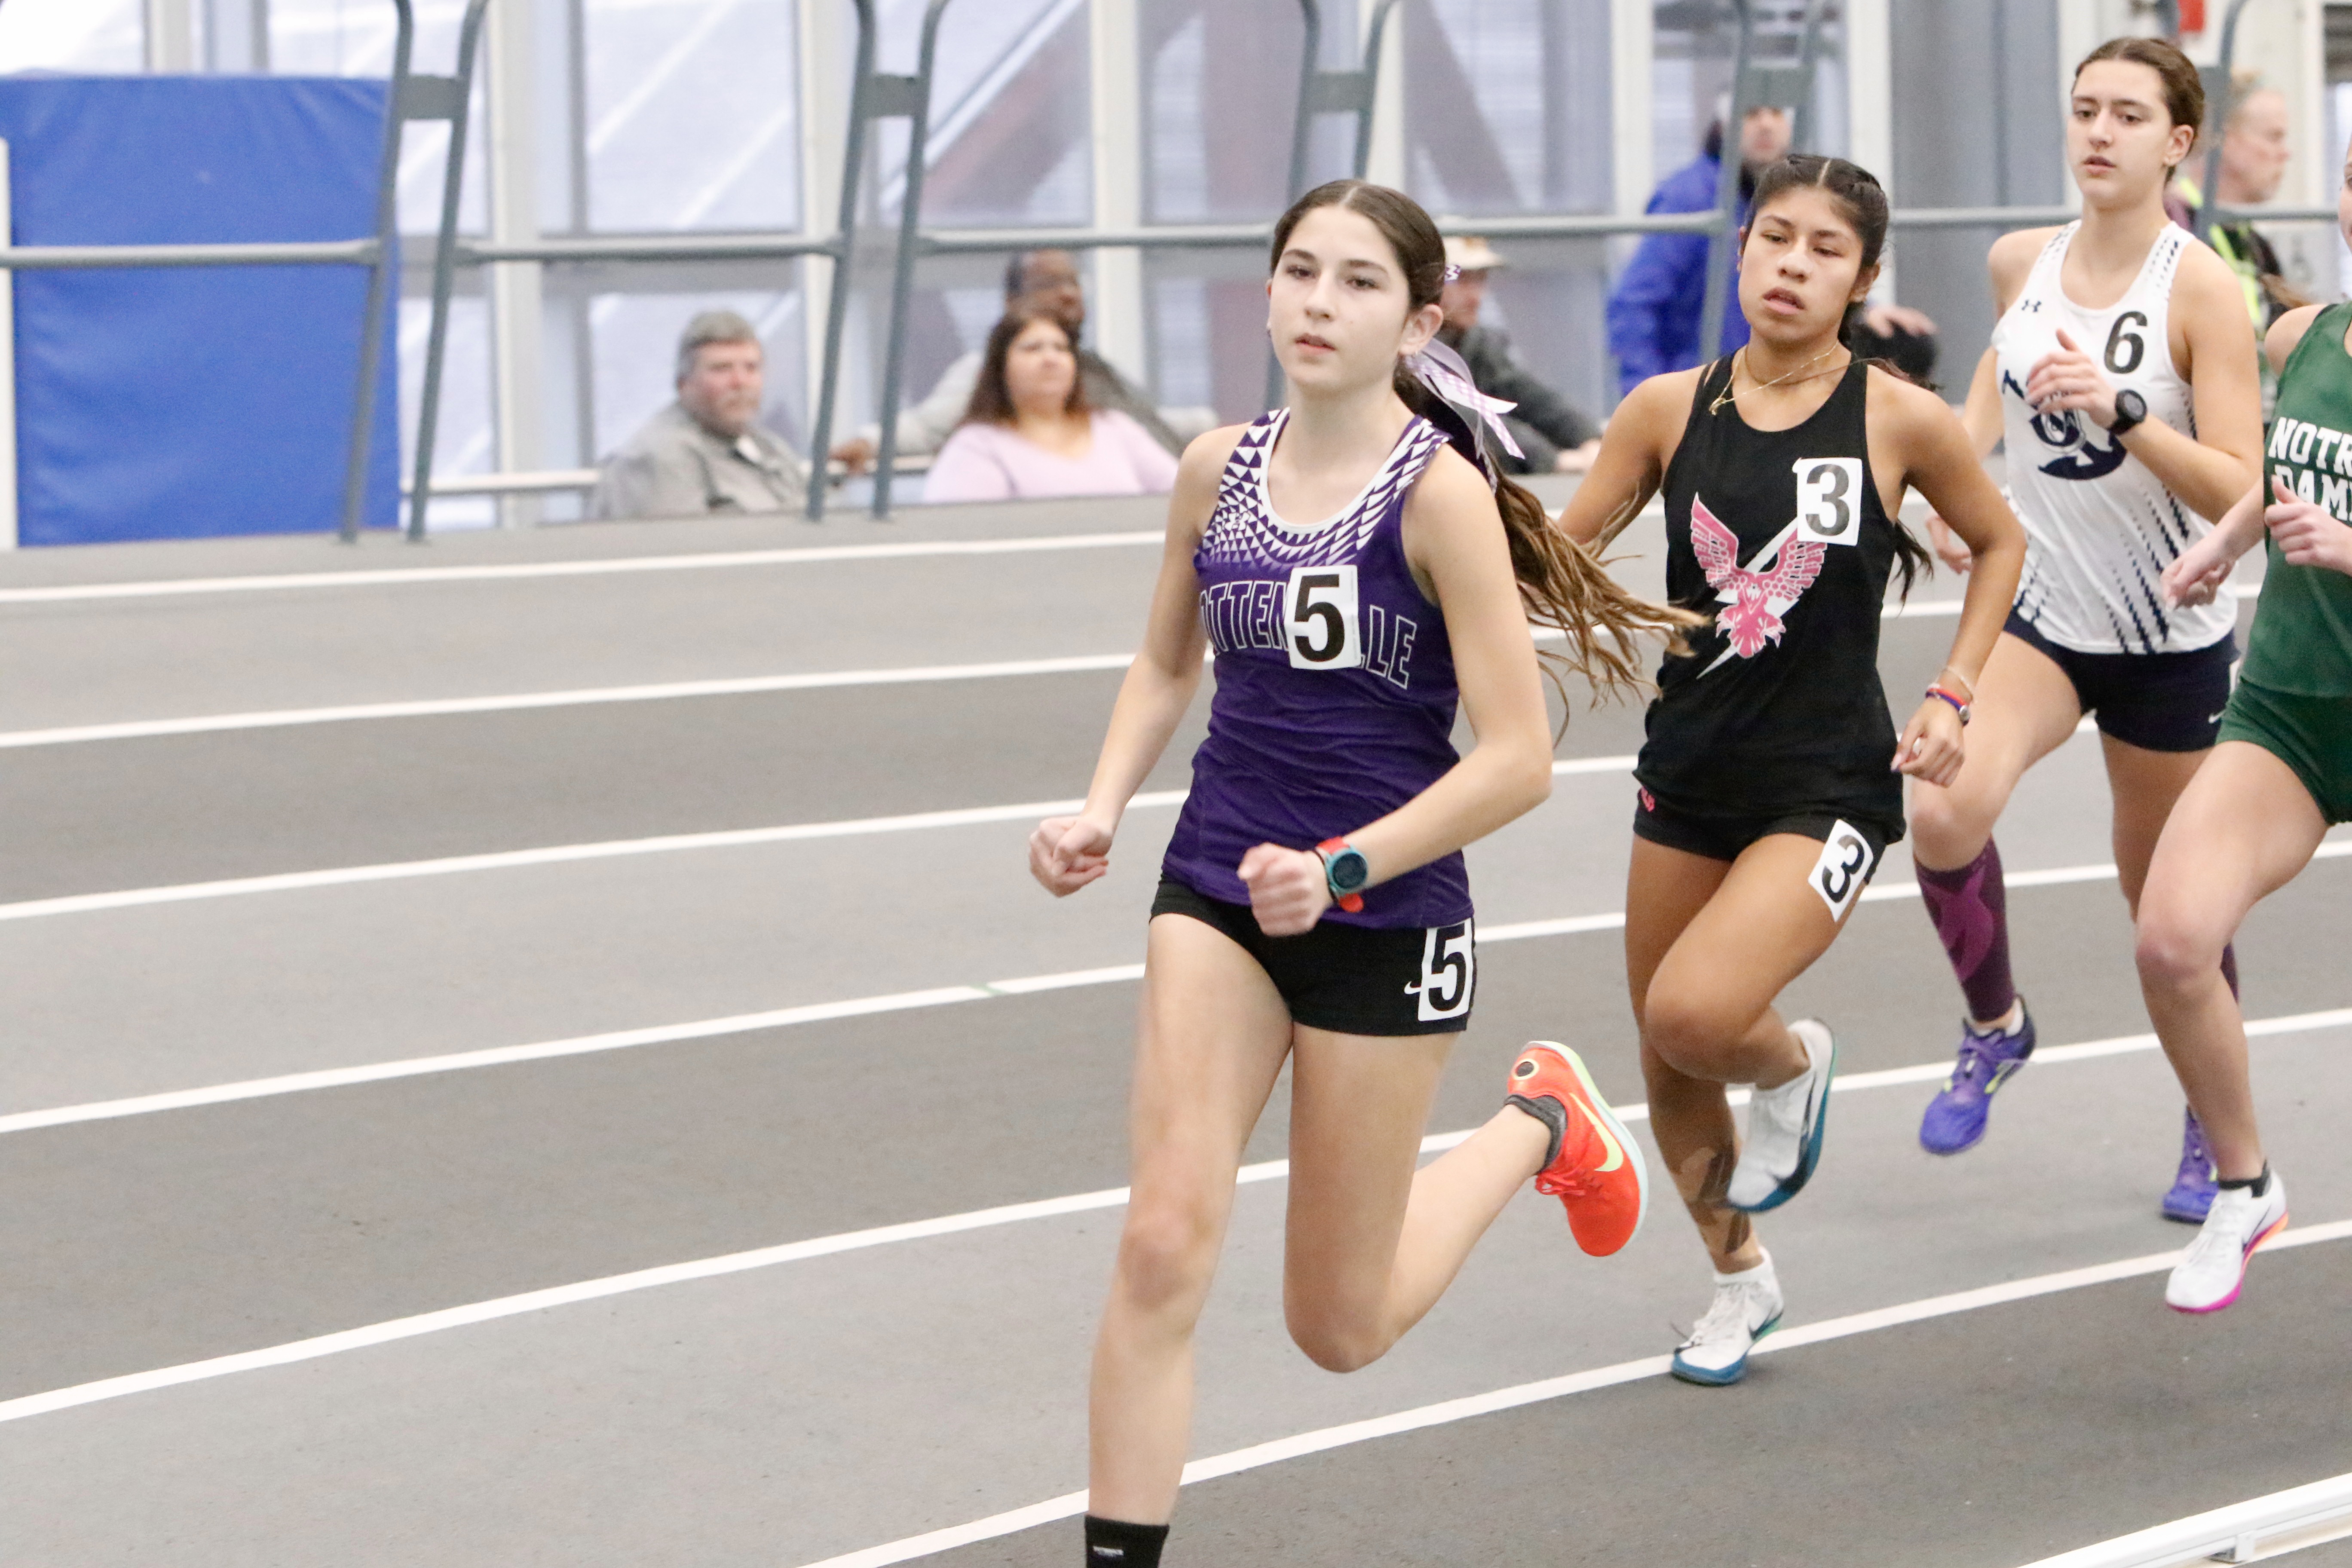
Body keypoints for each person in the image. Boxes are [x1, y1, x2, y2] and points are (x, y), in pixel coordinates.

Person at [1030, 178, 1690, 1567]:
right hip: (1215, 886)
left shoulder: (1442, 498)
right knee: (1162, 1233)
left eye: (1357, 282)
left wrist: (1340, 867)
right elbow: (1168, 659)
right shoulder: (1215, 466)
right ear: (1266, 290)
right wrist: (1097, 806)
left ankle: (1541, 1123)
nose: (1319, 303)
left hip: (1381, 912)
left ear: (1418, 317)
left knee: (1339, 1326)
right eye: (1299, 273)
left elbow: (1514, 755)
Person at [1563, 154, 2025, 1387]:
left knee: (1701, 1015)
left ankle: (1797, 1061)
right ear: (1741, 250)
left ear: (1864, 278)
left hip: (1825, 787)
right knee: (1666, 1068)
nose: (1792, 265)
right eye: (1774, 238)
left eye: (1826, 250)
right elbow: (1560, 555)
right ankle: (1738, 1280)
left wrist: (1956, 692)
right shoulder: (1665, 409)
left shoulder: (1896, 416)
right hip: (1687, 774)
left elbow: (1999, 542)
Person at [1905, 37, 2264, 1228]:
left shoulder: (2203, 288)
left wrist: (2123, 417)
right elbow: (1986, 399)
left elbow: (2237, 497)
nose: (2097, 132)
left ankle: (2208, 1122)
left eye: (2127, 115)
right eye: (2083, 110)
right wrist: (1951, 490)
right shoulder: (2023, 263)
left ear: (2177, 143)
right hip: (2049, 614)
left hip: (2168, 630)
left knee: (2166, 904)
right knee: (1942, 805)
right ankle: (1996, 1027)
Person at [2137, 189, 2352, 1308]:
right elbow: (2286, 477)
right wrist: (2227, 539)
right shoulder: (2304, 335)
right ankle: (2244, 1183)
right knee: (2173, 939)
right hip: (2296, 711)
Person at [1609, 103, 1941, 398]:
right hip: (1707, 388)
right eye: (1775, 238)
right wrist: (1652, 396)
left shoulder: (1793, 193)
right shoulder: (1688, 199)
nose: (1766, 125)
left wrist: (1866, 309)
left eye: (1825, 249)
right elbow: (1634, 304)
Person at [830, 251, 1213, 473]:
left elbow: (1148, 424)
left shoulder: (1094, 367)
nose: (1067, 295)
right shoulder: (991, 370)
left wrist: (1215, 429)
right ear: (1010, 304)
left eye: (1073, 283)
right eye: (1048, 285)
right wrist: (870, 442)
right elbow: (929, 426)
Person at [921, 307, 1180, 504]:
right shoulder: (978, 446)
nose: (1051, 359)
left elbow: (1186, 498)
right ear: (1000, 368)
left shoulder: (1116, 428)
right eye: (1033, 349)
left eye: (1061, 348)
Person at [2169, 77, 2306, 414]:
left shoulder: (2252, 242)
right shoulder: (2171, 226)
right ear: (2225, 140)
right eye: (2273, 137)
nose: (2285, 153)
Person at [588, 310, 805, 520]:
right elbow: (680, 551)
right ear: (684, 383)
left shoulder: (769, 447)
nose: (740, 382)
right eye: (722, 369)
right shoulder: (660, 456)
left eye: (751, 368)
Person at [1436, 234, 1602, 473]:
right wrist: (1551, 461)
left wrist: (1587, 438)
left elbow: (1524, 394)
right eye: (1461, 281)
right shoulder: (1408, 353)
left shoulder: (1472, 342)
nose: (1476, 297)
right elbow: (1453, 411)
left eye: (1480, 280)